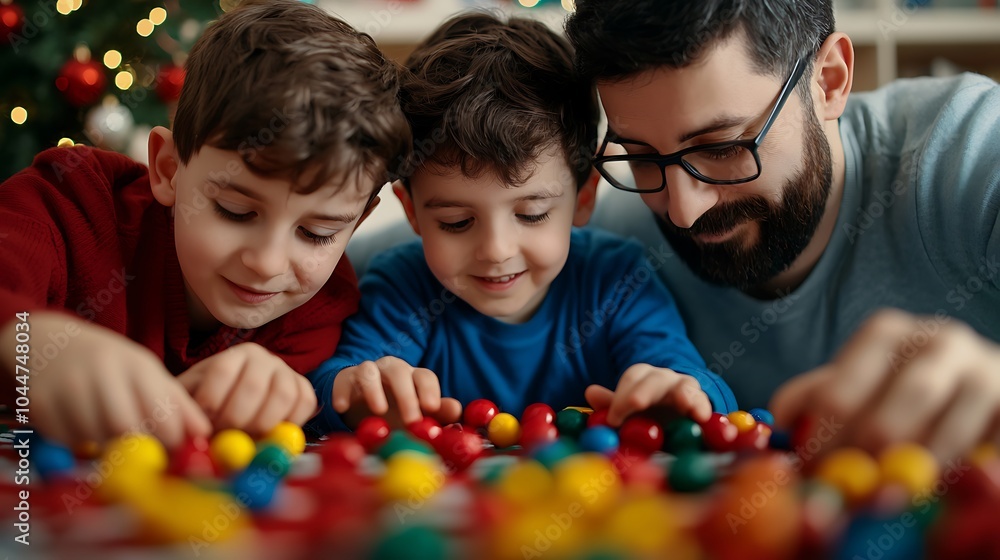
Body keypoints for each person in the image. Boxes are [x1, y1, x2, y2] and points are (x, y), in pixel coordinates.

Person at [564, 0, 1000, 459]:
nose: (683, 211)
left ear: (828, 81)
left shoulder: (973, 154)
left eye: (723, 146)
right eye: (641, 157)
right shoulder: (619, 249)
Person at [0, 0, 411, 448]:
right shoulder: (71, 201)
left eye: (317, 233)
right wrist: (30, 340)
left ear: (356, 224)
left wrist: (283, 394)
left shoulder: (317, 310)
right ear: (168, 170)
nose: (266, 263)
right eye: (235, 211)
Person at [307, 13, 737, 434]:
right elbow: (330, 388)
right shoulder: (404, 286)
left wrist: (681, 393)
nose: (496, 250)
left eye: (531, 214)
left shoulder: (616, 280)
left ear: (584, 197)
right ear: (412, 213)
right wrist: (361, 393)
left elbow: (693, 382)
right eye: (456, 222)